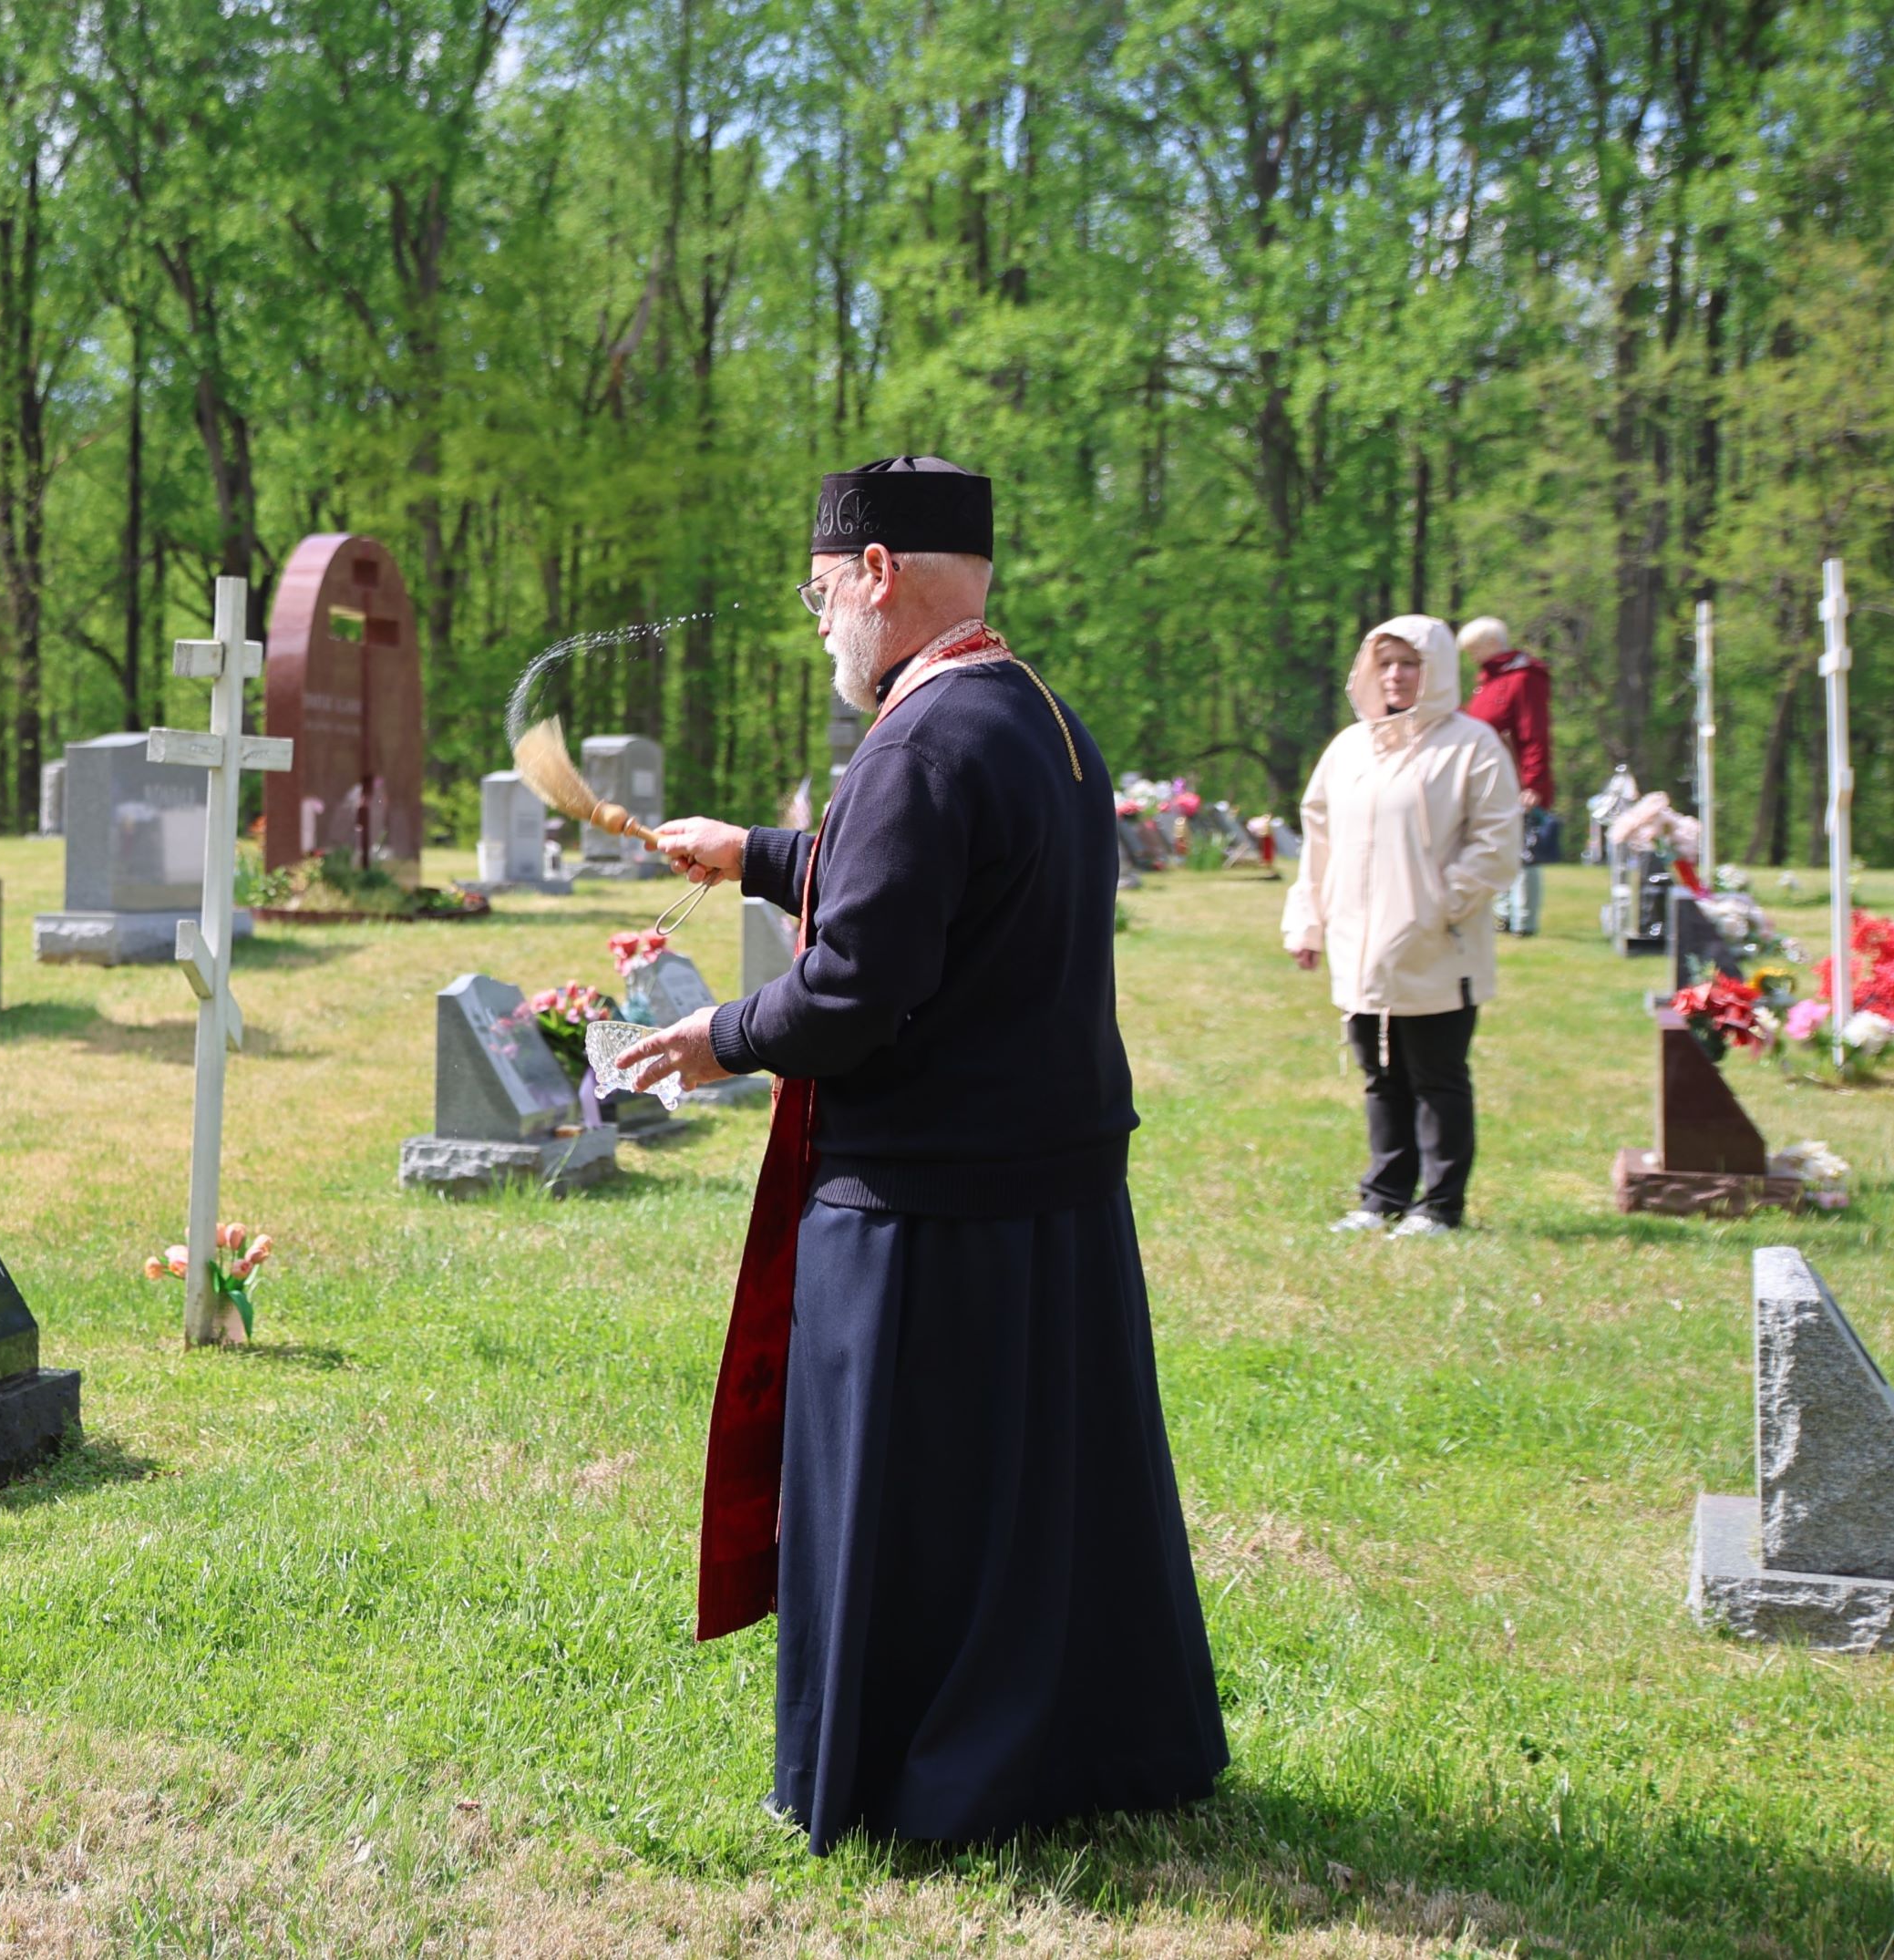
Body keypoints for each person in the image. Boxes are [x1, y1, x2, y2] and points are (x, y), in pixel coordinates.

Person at [612, 455, 1226, 1852]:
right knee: (1041, 1514)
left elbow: (853, 990)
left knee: (929, 1514)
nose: (822, 620)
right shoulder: (1037, 716)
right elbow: (933, 887)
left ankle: (924, 1775)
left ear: (879, 572)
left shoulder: (917, 740)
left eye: (823, 591)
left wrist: (718, 1034)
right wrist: (759, 852)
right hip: (1048, 1194)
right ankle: (1086, 1750)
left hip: (925, 1212)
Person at [1282, 617, 1523, 1237]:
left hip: (1437, 944)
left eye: (1409, 663)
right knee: (1380, 1076)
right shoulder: (1349, 749)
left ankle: (1439, 1205)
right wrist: (1308, 921)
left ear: (1435, 669)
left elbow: (1496, 844)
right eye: (1384, 663)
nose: (1395, 676)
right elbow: (1319, 842)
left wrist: (1440, 904)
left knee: (1436, 1076)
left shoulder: (1471, 746)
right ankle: (1382, 1197)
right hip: (1358, 941)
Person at [1459, 616, 1551, 934]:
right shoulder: (1489, 680)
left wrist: (1533, 782)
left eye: (1474, 649)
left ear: (1492, 644)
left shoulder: (1524, 678)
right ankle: (1502, 915)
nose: (1471, 656)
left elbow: (1533, 733)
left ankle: (1524, 920)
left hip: (1516, 780)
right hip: (1488, 777)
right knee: (1495, 846)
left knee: (1524, 850)